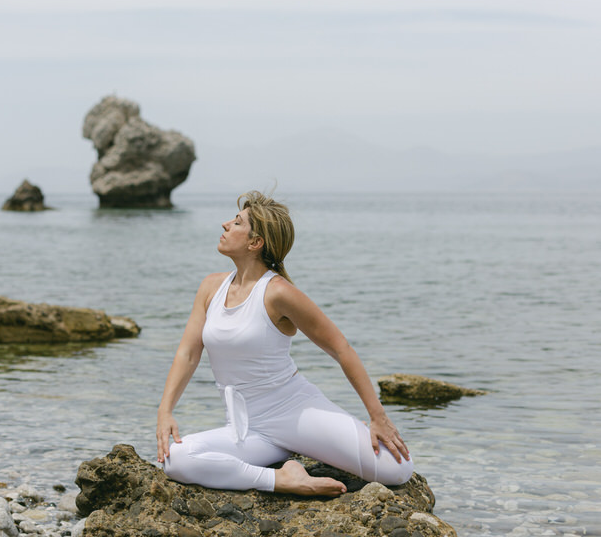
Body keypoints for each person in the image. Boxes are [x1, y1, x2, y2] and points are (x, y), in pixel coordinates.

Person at [156, 191, 413, 496]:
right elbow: (187, 354)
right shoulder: (211, 287)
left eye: (236, 222)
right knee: (177, 460)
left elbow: (340, 348)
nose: (225, 224)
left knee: (397, 469)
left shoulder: (278, 292)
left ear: (255, 243)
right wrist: (165, 410)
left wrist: (377, 416)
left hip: (294, 412)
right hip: (247, 428)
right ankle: (285, 478)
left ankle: (319, 442)